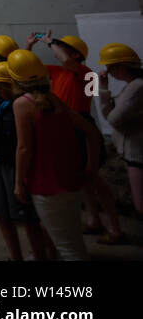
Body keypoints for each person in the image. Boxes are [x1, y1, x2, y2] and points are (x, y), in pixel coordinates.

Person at [25, 31, 123, 244]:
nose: (57, 50)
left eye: (63, 47)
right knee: (82, 178)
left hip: (82, 125)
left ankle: (115, 228)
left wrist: (49, 42)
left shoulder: (87, 74)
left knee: (93, 177)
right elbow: (27, 70)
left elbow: (68, 62)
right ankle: (93, 220)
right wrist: (30, 47)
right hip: (66, 125)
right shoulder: (58, 72)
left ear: (77, 55)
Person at [9, 48, 99, 261]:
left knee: (69, 248)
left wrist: (19, 182)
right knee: (71, 241)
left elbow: (24, 148)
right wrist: (91, 169)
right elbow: (92, 132)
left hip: (46, 184)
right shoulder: (54, 99)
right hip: (70, 179)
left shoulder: (22, 104)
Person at [0, 61, 52, 261]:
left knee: (27, 217)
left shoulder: (19, 105)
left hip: (13, 165)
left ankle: (43, 255)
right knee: (1, 212)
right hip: (0, 163)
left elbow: (11, 140)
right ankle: (17, 257)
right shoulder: (5, 103)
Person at [96, 43, 143, 217]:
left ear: (122, 66)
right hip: (134, 153)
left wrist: (103, 91)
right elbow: (110, 113)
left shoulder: (137, 87)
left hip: (138, 153)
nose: (108, 71)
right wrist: (103, 89)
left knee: (140, 205)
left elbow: (113, 119)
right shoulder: (131, 86)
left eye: (110, 67)